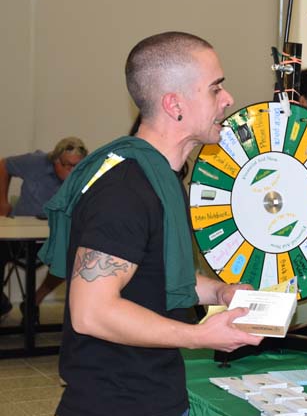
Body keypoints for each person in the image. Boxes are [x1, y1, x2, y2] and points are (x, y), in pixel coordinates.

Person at [38, 32, 263, 416]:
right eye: (215, 89)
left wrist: (220, 293)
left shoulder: (160, 179)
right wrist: (198, 336)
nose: (228, 99)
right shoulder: (125, 190)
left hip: (153, 396)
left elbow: (158, 276)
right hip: (116, 404)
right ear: (174, 104)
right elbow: (92, 311)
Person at [0, 137, 88, 319]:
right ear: (55, 160)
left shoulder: (84, 175)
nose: (73, 171)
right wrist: (2, 201)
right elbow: (3, 165)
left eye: (77, 166)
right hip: (20, 235)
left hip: (53, 238)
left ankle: (34, 301)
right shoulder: (35, 162)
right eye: (68, 165)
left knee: (71, 257)